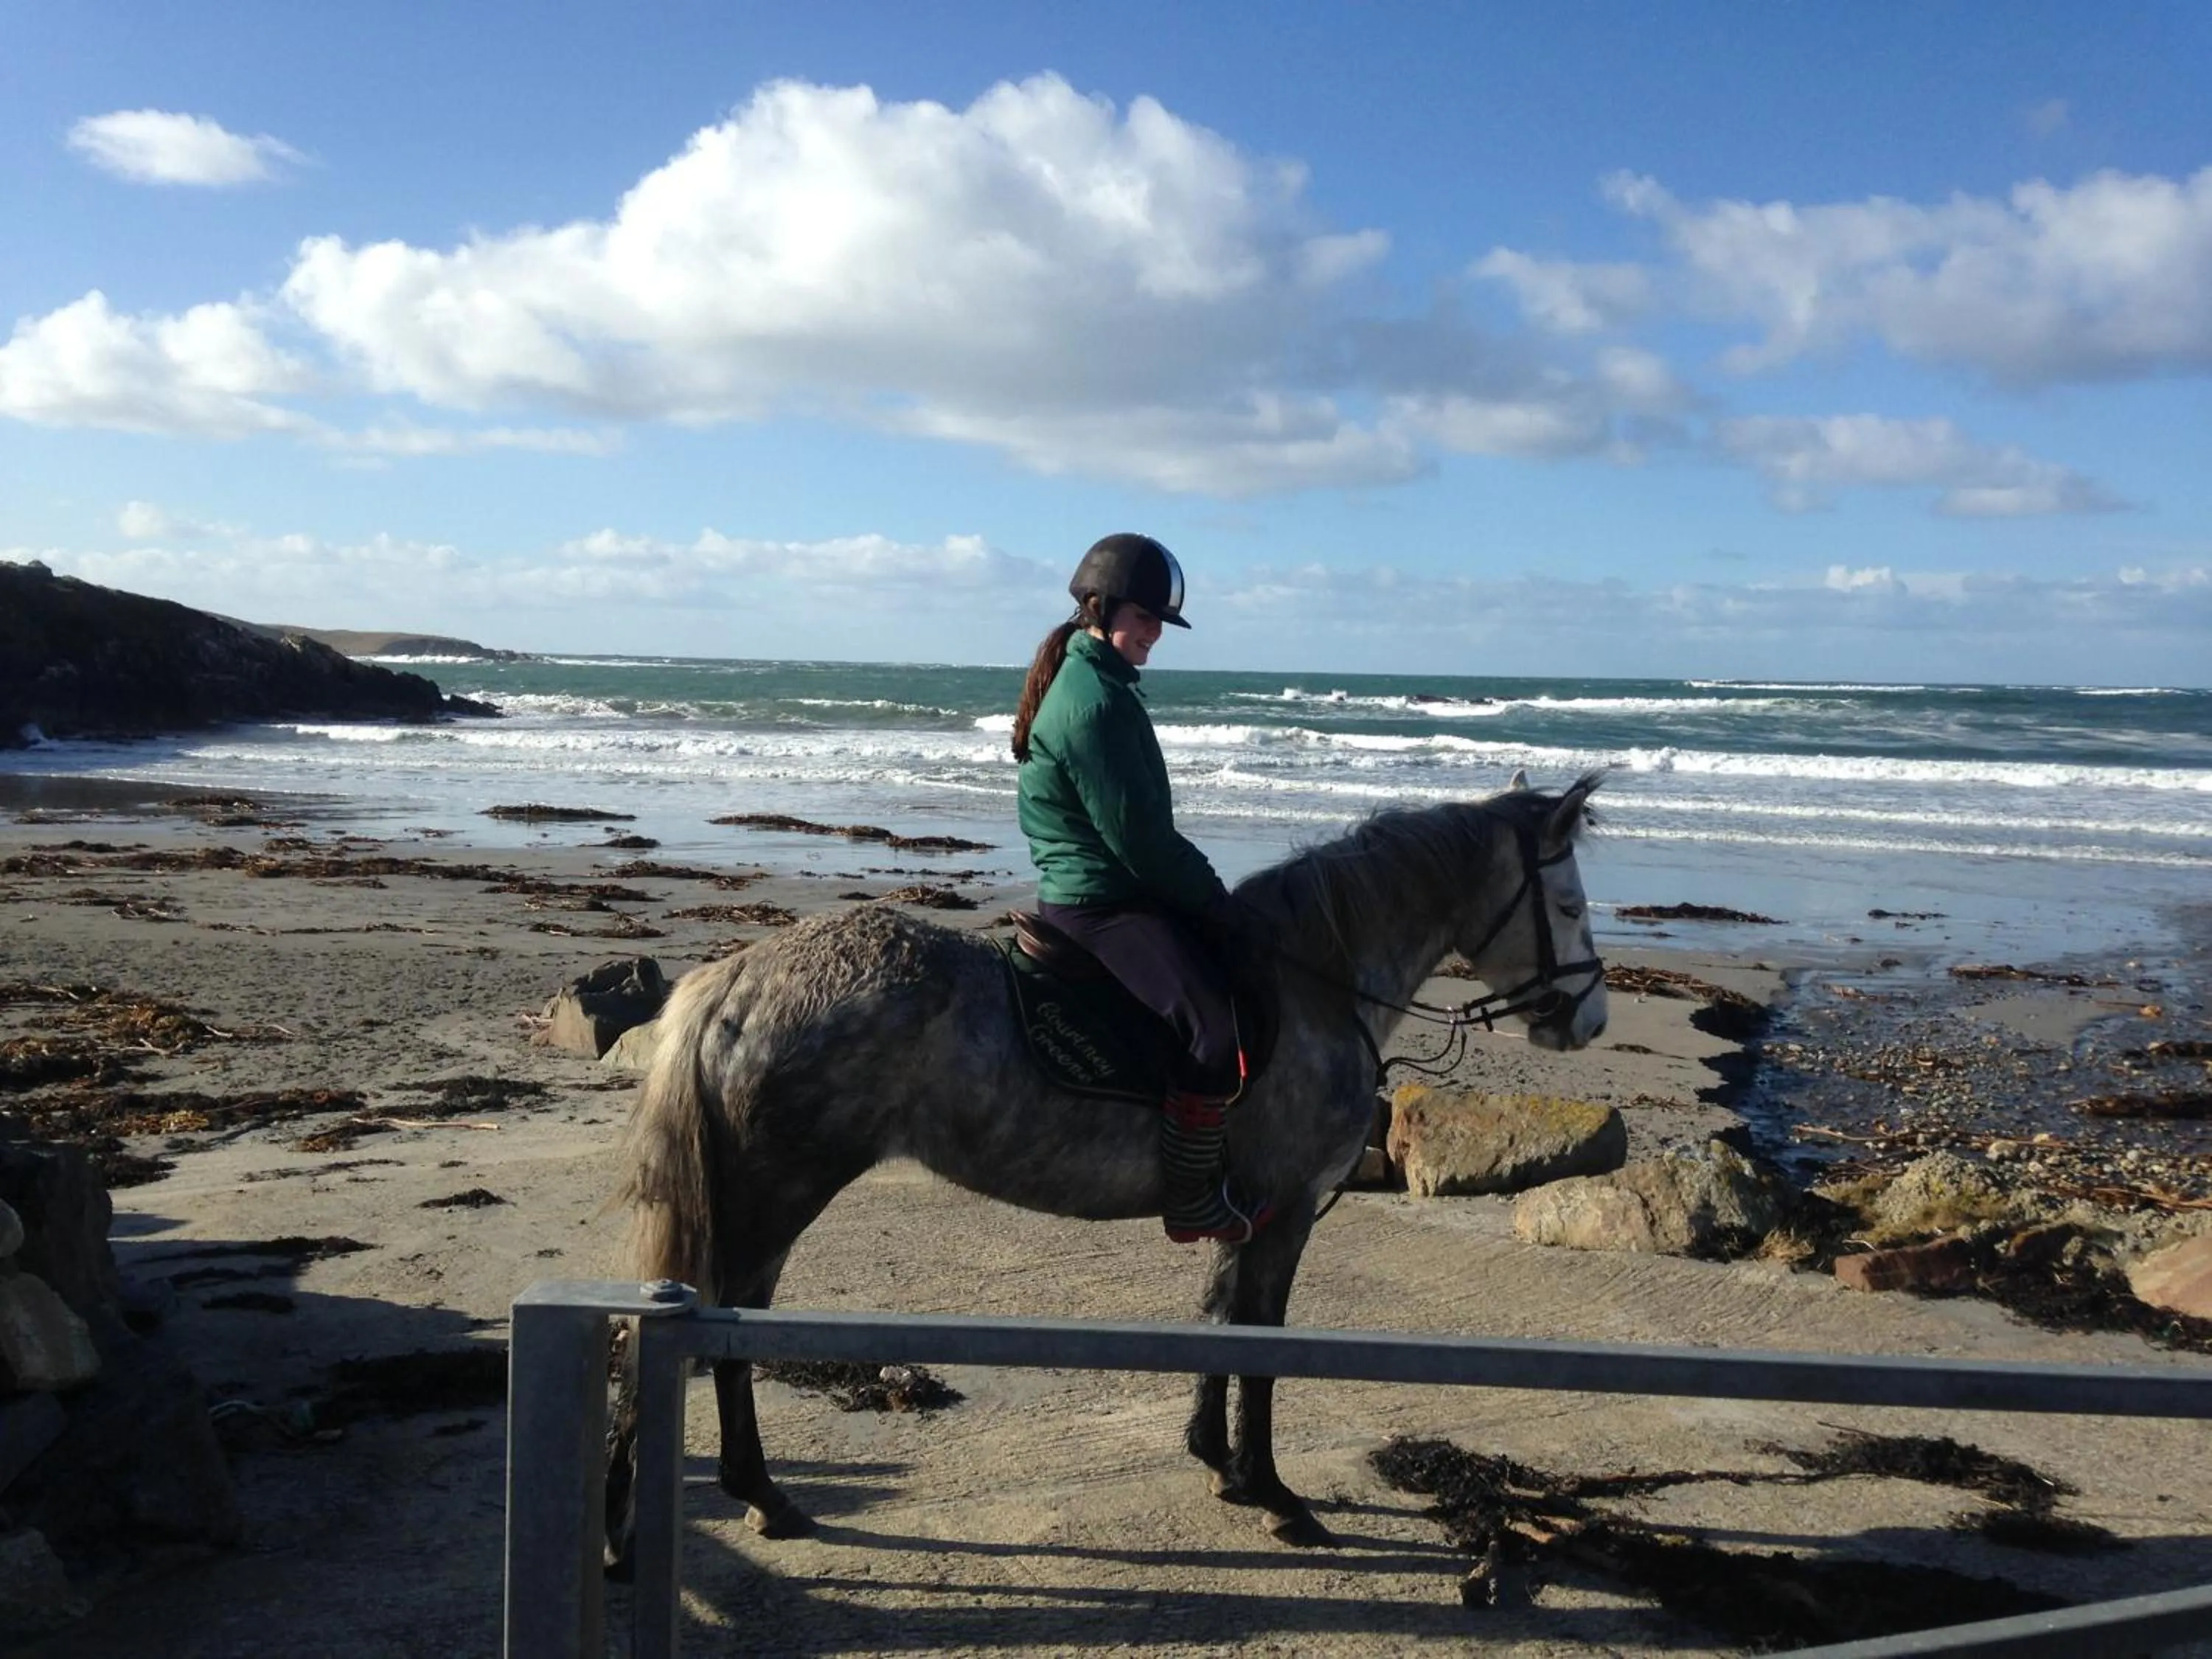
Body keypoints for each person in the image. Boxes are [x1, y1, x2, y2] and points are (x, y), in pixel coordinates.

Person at [1011, 533, 1270, 1244]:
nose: (1155, 632)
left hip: (1107, 888)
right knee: (1211, 1029)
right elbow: (1143, 844)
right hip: (1101, 902)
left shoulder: (1094, 680)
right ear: (1100, 608)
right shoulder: (1095, 703)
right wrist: (1218, 904)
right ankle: (1192, 1200)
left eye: (1161, 621)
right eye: (1146, 617)